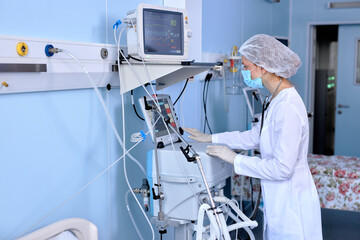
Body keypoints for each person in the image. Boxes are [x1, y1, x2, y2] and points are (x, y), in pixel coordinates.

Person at [183, 34, 322, 240]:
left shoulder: (287, 107)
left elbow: (282, 169)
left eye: (246, 67)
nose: (243, 72)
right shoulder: (275, 98)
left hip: (291, 201)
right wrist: (210, 138)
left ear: (263, 67)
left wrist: (235, 159)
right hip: (279, 198)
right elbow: (254, 136)